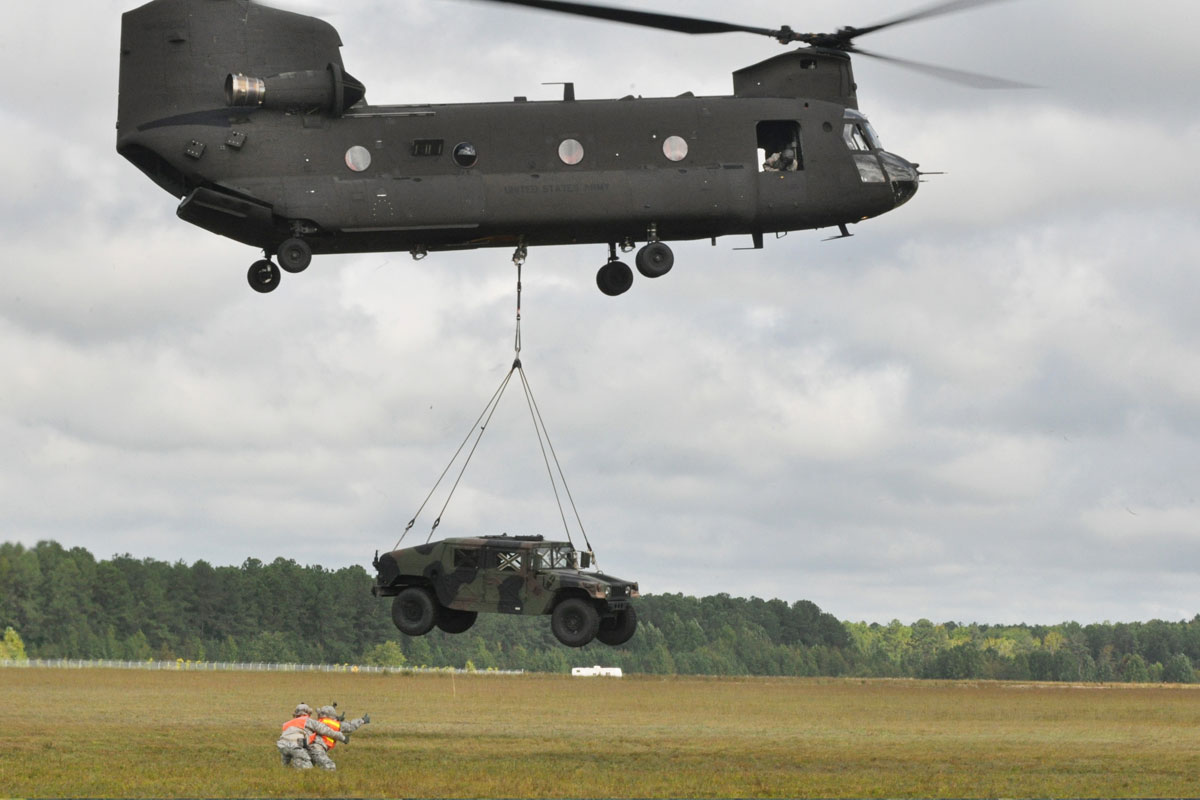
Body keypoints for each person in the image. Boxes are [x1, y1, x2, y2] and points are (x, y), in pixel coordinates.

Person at [277, 703, 347, 769]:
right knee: (307, 768)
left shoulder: (286, 724)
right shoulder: (308, 721)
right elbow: (327, 731)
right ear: (308, 712)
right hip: (296, 746)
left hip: (282, 746)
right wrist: (342, 738)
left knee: (286, 767)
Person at [306, 704, 370, 771]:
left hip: (308, 747)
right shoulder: (334, 724)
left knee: (310, 767)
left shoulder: (317, 722)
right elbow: (350, 726)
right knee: (330, 767)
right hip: (318, 748)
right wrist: (362, 720)